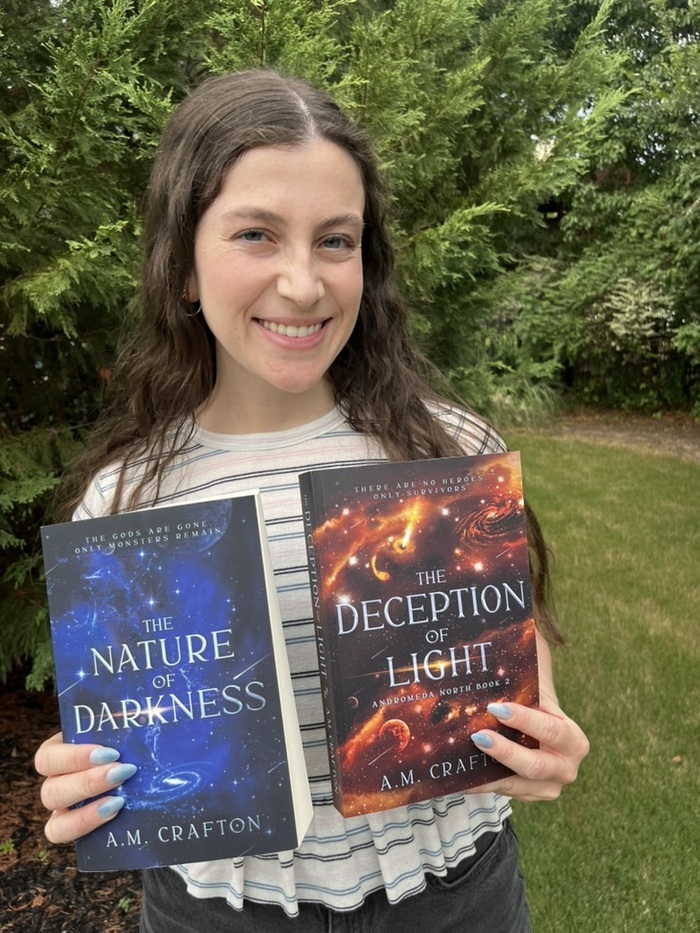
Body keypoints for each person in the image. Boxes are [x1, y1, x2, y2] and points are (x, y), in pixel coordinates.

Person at [34, 70, 589, 932]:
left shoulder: (447, 452)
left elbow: (519, 668)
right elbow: (126, 731)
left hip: (453, 899)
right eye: (256, 233)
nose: (302, 283)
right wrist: (81, 778)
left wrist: (540, 735)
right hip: (218, 911)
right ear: (184, 264)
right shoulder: (125, 501)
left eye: (335, 240)